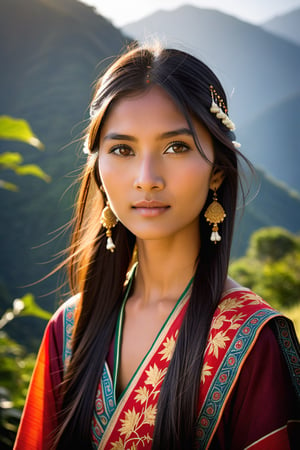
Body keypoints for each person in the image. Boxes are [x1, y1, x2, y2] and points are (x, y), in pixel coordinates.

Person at [14, 43, 300, 450]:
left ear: (217, 172)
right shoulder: (69, 329)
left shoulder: (253, 340)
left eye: (176, 147)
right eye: (122, 150)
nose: (146, 178)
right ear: (98, 170)